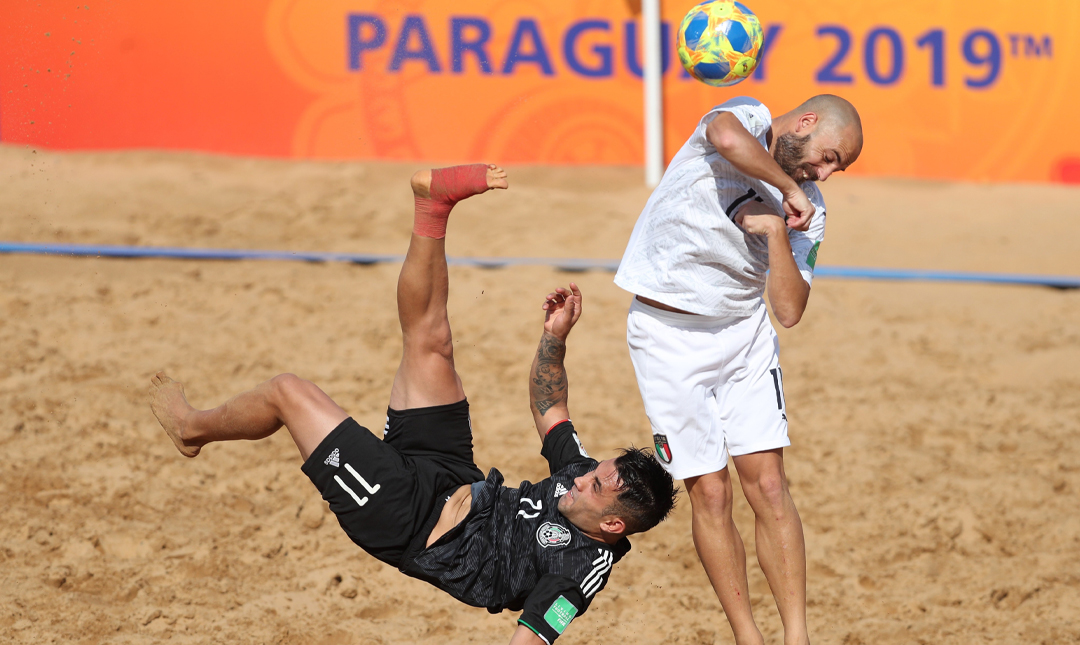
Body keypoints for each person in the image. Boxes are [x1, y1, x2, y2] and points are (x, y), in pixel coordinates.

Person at [148, 163, 678, 645]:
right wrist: (555, 338)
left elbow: (531, 639)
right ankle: (432, 207)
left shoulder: (577, 573)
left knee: (287, 392)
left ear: (612, 525)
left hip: (407, 518)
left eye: (593, 487)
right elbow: (550, 407)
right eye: (592, 472)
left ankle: (192, 429)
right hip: (453, 474)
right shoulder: (583, 475)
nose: (581, 479)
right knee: (430, 339)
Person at [614, 94, 864, 645]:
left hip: (744, 336)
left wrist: (777, 232)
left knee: (770, 486)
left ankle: (797, 637)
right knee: (711, 494)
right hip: (666, 335)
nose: (824, 174)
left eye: (834, 169)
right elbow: (726, 137)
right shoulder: (748, 117)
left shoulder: (811, 209)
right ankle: (748, 637)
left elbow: (789, 310)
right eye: (827, 157)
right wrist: (788, 188)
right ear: (805, 122)